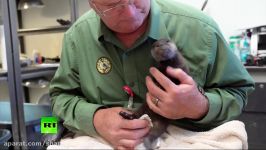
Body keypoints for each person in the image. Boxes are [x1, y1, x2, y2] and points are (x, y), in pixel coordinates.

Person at [49, 0, 255, 149]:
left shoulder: (201, 29)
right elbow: (60, 98)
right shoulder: (76, 39)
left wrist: (199, 106)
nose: (130, 13)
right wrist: (96, 119)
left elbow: (238, 92)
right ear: (92, 4)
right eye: (112, 6)